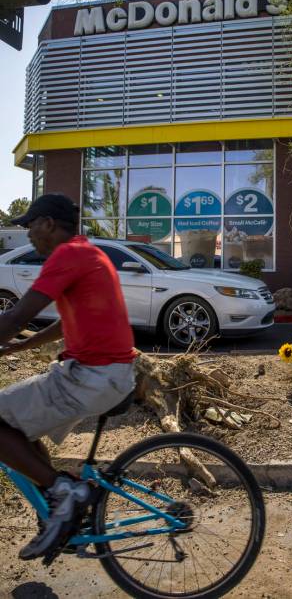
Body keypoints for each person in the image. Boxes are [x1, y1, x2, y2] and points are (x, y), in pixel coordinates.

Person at [0, 193, 136, 560]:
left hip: (92, 376)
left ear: (47, 223)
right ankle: (56, 507)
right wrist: (19, 348)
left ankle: (65, 493)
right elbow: (64, 323)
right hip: (101, 373)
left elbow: (14, 317)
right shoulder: (85, 253)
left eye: (30, 225)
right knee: (19, 428)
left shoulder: (68, 255)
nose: (28, 234)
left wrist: (12, 334)